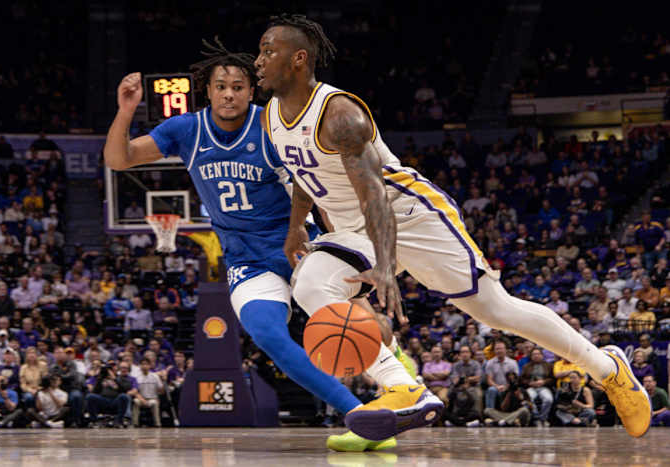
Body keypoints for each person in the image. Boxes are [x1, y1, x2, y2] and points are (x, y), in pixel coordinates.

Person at [254, 13, 650, 439]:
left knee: (495, 310)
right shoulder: (272, 116)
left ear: (298, 59)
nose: (257, 60)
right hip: (353, 228)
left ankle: (607, 369)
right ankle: (403, 387)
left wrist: (386, 266)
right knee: (310, 285)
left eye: (267, 51)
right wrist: (297, 227)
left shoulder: (340, 115)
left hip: (406, 213)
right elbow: (301, 171)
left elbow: (375, 197)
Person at [103, 40, 397, 451]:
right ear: (208, 89)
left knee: (369, 326)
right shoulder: (185, 130)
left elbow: (307, 182)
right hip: (246, 258)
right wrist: (126, 109)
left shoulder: (271, 125)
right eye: (221, 86)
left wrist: (329, 236)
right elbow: (119, 159)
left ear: (251, 90)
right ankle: (361, 416)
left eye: (238, 86)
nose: (229, 93)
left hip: (299, 245)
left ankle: (404, 391)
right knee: (269, 336)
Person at [521, 348, 554, 426]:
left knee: (548, 399)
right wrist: (529, 383)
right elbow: (521, 379)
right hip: (531, 387)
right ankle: (536, 418)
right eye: (534, 354)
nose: (536, 356)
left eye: (538, 354)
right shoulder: (526, 366)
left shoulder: (548, 366)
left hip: (543, 387)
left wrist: (544, 382)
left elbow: (553, 379)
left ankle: (543, 418)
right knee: (530, 398)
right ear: (531, 356)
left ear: (542, 355)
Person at [484, 340, 519, 410]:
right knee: (491, 390)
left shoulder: (513, 363)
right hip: (496, 387)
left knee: (513, 391)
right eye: (497, 349)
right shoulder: (490, 363)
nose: (499, 351)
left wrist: (506, 387)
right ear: (494, 351)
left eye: (501, 348)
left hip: (509, 387)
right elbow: (489, 379)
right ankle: (490, 412)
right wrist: (497, 387)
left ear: (505, 350)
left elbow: (515, 379)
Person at [132, 358, 163, 427]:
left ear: (150, 366)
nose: (144, 366)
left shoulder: (155, 376)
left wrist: (163, 379)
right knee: (135, 401)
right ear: (140, 366)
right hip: (141, 399)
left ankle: (157, 424)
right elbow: (135, 392)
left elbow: (161, 390)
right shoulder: (136, 377)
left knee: (155, 403)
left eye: (146, 364)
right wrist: (142, 400)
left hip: (152, 399)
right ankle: (135, 423)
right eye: (142, 364)